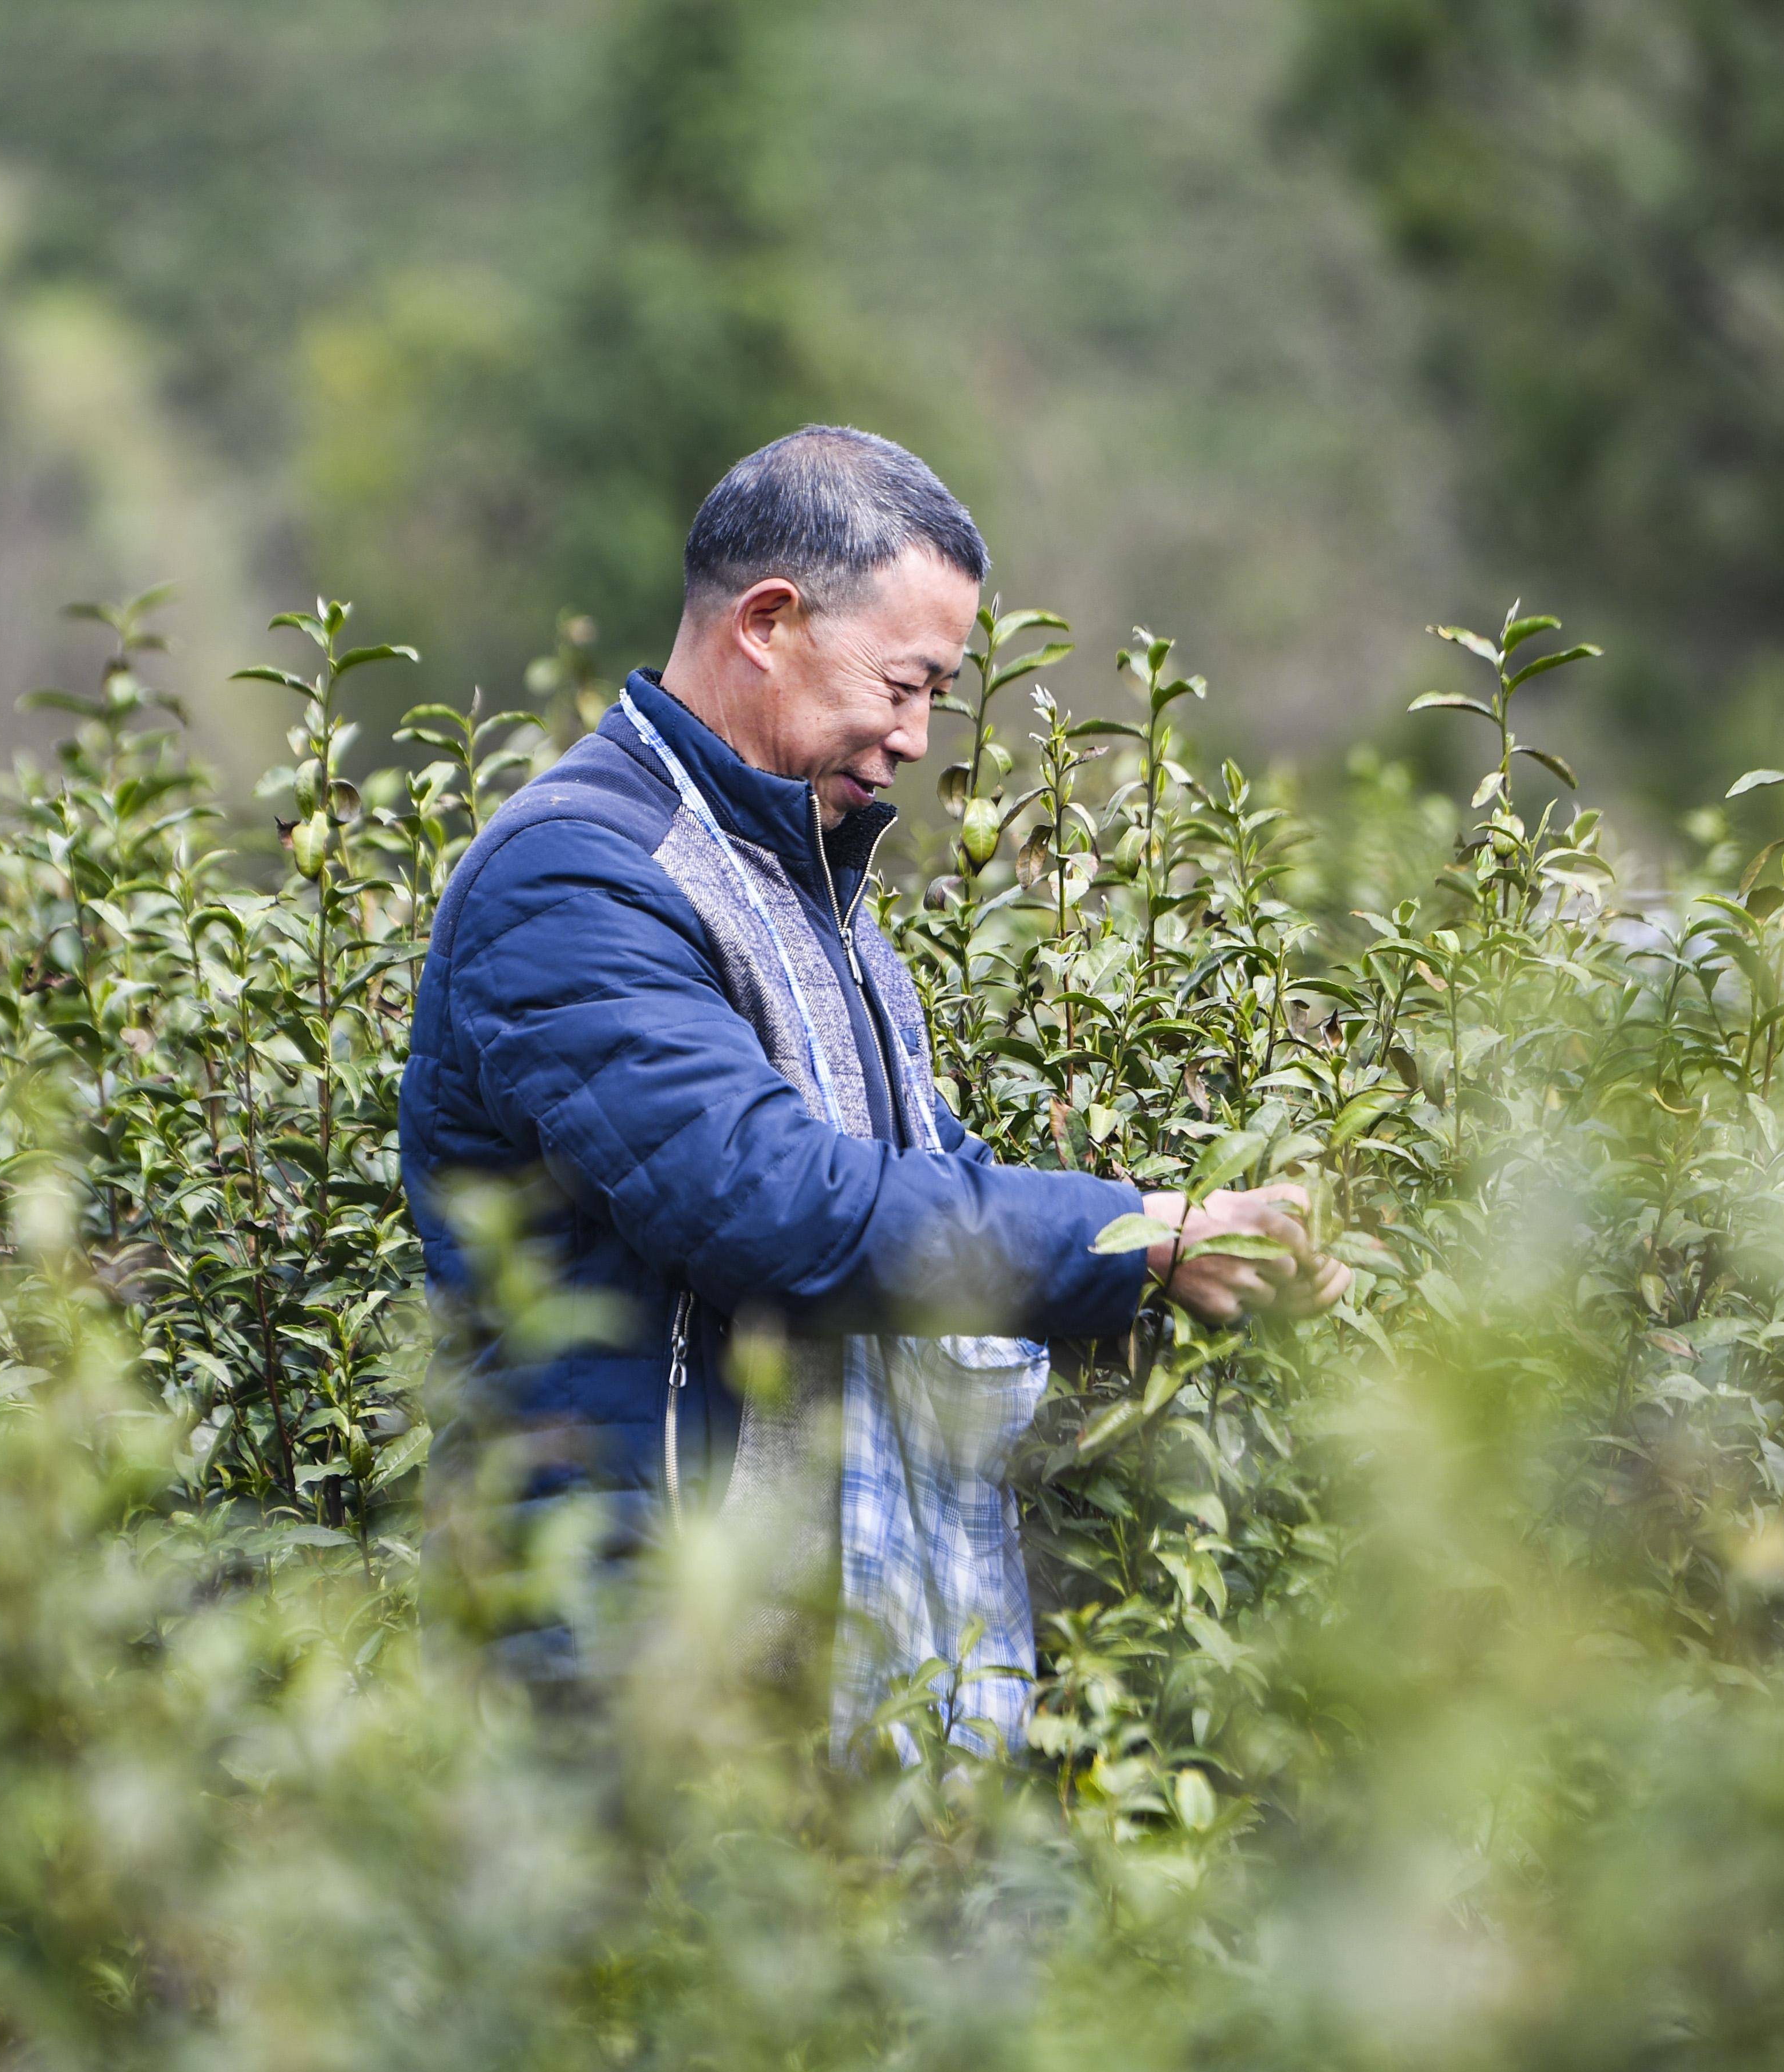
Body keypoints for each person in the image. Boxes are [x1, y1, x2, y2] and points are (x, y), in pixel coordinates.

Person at [404, 425, 1347, 1742]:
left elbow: (936, 1192)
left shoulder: (813, 895)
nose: (916, 737)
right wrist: (1138, 1237)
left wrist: (1196, 1257)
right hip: (637, 1668)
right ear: (771, 621)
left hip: (830, 1684)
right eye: (905, 684)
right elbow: (776, 1202)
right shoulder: (577, 875)